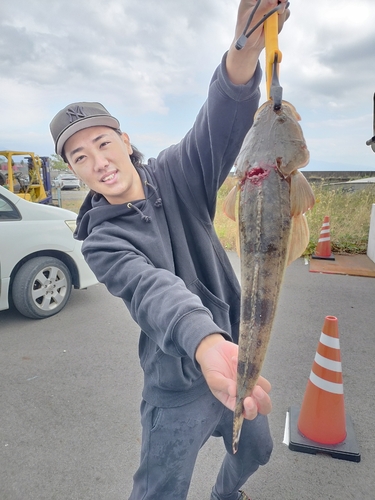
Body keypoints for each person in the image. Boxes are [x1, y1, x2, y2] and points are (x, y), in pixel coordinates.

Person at [49, 1, 289, 498]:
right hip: (176, 384)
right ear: (74, 171)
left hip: (236, 359)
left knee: (258, 449)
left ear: (125, 140)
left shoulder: (179, 174)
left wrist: (243, 47)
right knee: (160, 487)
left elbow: (218, 126)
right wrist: (204, 342)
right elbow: (152, 290)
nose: (99, 161)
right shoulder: (100, 238)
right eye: (80, 156)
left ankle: (226, 493)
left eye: (102, 142)